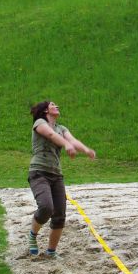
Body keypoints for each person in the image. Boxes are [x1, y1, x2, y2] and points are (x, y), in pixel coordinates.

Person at [27, 100, 96, 259]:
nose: (57, 106)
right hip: (39, 172)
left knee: (60, 215)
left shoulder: (61, 128)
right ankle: (32, 235)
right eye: (53, 105)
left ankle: (51, 252)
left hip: (56, 175)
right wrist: (66, 145)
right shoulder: (40, 123)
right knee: (46, 207)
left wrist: (86, 150)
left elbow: (73, 140)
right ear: (45, 110)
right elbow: (51, 135)